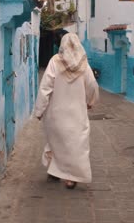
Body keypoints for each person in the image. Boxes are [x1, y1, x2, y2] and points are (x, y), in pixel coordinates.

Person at [34, 33, 99, 189]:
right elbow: (92, 86)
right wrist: (91, 101)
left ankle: (56, 172)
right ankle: (70, 178)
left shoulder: (55, 62)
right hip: (78, 114)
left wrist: (39, 110)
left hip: (56, 114)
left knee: (56, 141)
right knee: (76, 145)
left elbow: (45, 88)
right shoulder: (84, 65)